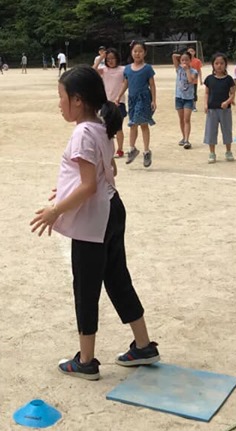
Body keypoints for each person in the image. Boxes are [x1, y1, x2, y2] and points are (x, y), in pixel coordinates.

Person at [30, 66, 159, 380]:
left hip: (94, 220)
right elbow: (107, 169)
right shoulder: (101, 126)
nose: (59, 104)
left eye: (61, 97)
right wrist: (66, 189)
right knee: (117, 279)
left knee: (86, 288)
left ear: (77, 100)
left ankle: (86, 361)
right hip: (112, 209)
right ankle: (143, 346)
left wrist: (55, 210)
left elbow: (88, 186)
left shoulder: (82, 133)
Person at [119, 40, 156, 168]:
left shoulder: (147, 68)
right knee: (133, 124)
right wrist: (119, 96)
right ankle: (132, 148)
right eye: (135, 51)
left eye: (140, 51)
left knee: (142, 124)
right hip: (132, 99)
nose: (137, 53)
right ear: (131, 52)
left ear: (144, 53)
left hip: (144, 98)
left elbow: (152, 85)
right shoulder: (127, 68)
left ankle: (146, 151)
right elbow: (126, 83)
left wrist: (153, 100)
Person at [203, 53, 236, 163]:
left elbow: (232, 94)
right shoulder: (209, 79)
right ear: (213, 65)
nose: (219, 65)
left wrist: (227, 102)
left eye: (222, 63)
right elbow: (207, 93)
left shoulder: (229, 79)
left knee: (227, 130)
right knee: (211, 131)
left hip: (225, 110)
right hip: (212, 109)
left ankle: (228, 151)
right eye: (216, 63)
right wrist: (205, 104)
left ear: (225, 64)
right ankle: (212, 153)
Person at [98, 47, 127, 158]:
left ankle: (120, 150)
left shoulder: (123, 69)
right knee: (105, 128)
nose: (110, 61)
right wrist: (100, 58)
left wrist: (119, 96)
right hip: (106, 103)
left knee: (118, 128)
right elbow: (92, 70)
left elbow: (126, 82)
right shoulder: (104, 70)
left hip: (119, 102)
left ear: (117, 59)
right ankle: (107, 149)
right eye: (108, 59)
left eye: (113, 58)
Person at [172, 50, 198, 149]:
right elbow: (173, 56)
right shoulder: (178, 69)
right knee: (181, 119)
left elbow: (191, 80)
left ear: (190, 60)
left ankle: (187, 140)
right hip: (179, 97)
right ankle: (183, 137)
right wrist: (181, 56)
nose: (184, 62)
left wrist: (187, 70)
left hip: (188, 98)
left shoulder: (194, 71)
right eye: (182, 60)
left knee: (187, 119)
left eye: (187, 60)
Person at [186, 46, 204, 111]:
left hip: (194, 81)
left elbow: (199, 71)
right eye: (189, 51)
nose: (190, 52)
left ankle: (194, 106)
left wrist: (200, 79)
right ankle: (187, 105)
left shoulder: (197, 61)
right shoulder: (185, 60)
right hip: (186, 80)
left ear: (194, 52)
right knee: (187, 92)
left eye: (192, 51)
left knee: (194, 93)